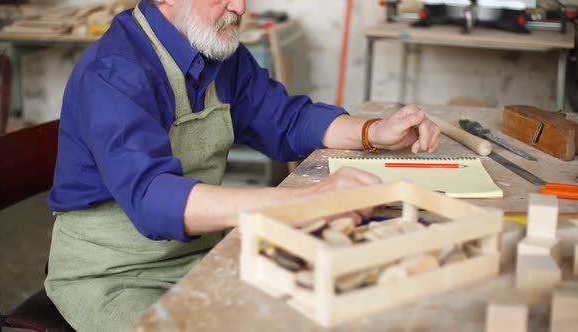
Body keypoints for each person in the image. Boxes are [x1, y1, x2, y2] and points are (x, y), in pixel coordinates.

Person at [45, 0, 441, 330]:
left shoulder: (216, 49)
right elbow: (153, 199)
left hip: (198, 256)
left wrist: (374, 131)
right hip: (113, 276)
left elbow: (286, 119)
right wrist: (310, 200)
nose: (239, 7)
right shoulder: (115, 70)